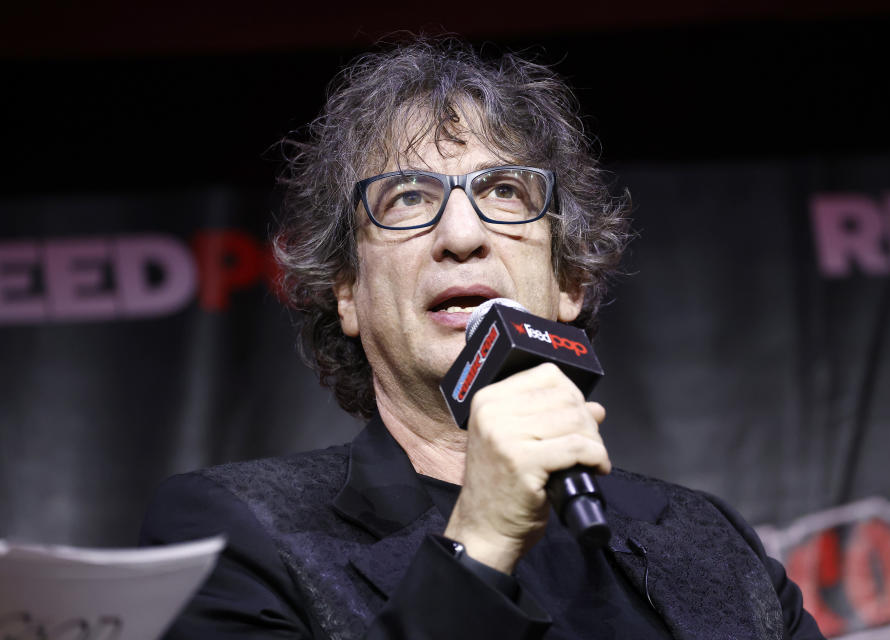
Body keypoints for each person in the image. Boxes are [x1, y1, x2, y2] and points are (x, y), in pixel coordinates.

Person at [141, 38, 825, 639]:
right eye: (407, 198)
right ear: (346, 290)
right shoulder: (237, 532)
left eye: (503, 192)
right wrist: (480, 542)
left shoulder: (708, 540)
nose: (461, 236)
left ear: (571, 282)